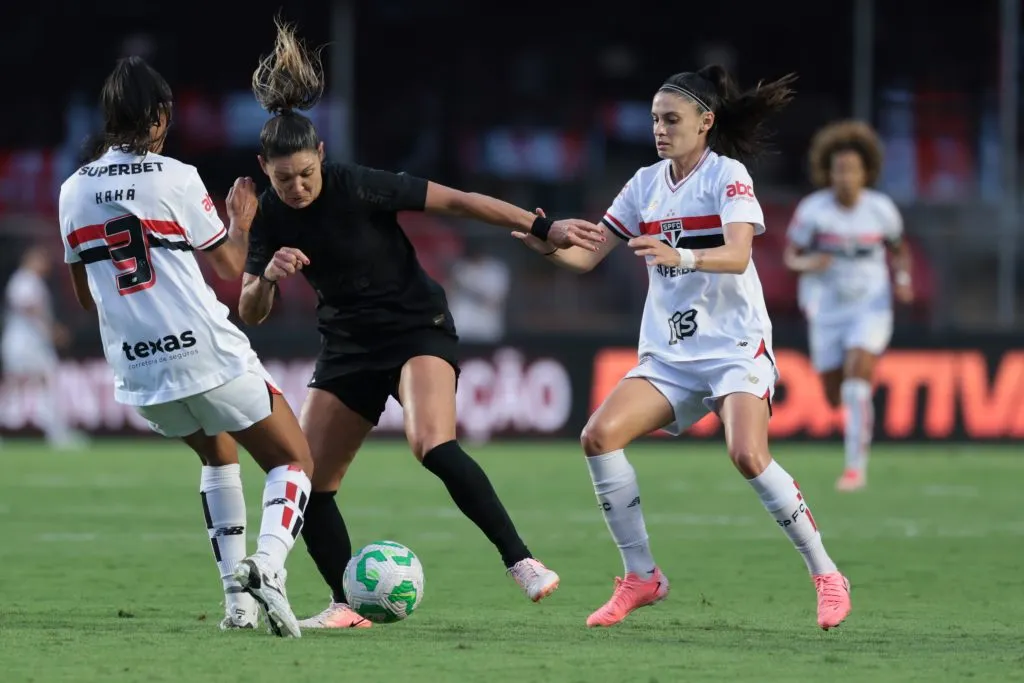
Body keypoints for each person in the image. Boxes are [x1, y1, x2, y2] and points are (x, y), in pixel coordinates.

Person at [237, 18, 604, 629]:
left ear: (322, 155)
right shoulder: (270, 216)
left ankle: (521, 560)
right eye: (283, 178)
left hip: (415, 327)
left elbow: (459, 200)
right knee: (308, 482)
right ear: (263, 169)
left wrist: (544, 226)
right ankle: (346, 603)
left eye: (306, 172)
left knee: (430, 444)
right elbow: (250, 309)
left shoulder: (360, 186)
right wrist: (268, 276)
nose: (297, 187)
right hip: (348, 344)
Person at [515, 65, 852, 631]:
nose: (659, 129)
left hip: (735, 346)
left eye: (671, 119)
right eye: (654, 120)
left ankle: (827, 574)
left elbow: (739, 255)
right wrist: (545, 248)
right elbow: (587, 257)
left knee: (747, 454)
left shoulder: (727, 176)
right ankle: (641, 576)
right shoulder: (644, 184)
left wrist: (683, 255)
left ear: (705, 122)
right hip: (671, 354)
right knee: (598, 436)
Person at [59, 56, 314, 637]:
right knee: (293, 459)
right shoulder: (175, 176)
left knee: (218, 455)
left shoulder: (71, 191)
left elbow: (85, 299)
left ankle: (239, 607)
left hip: (139, 372)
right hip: (205, 351)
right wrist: (241, 219)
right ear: (159, 116)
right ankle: (269, 566)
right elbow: (228, 264)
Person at [783, 121, 913, 492]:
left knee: (858, 380)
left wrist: (903, 280)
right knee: (833, 394)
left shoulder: (881, 209)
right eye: (839, 170)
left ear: (865, 172)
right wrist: (809, 263)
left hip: (870, 305)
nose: (845, 177)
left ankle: (855, 468)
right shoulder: (813, 210)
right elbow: (791, 257)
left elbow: (899, 250)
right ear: (828, 172)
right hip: (826, 307)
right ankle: (854, 416)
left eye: (852, 170)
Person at [1, 245, 83, 448]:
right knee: (31, 385)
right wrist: (52, 330)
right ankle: (58, 434)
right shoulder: (25, 280)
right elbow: (29, 307)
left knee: (29, 387)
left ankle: (57, 432)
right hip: (25, 344)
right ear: (31, 260)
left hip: (29, 343)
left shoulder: (30, 281)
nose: (46, 265)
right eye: (41, 260)